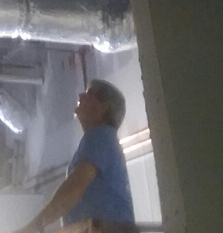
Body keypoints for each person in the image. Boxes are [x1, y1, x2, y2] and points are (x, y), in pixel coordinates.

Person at [13, 79, 135, 233]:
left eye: (90, 94)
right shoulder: (104, 139)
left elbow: (75, 186)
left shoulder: (99, 136)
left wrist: (35, 226)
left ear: (103, 108)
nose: (81, 95)